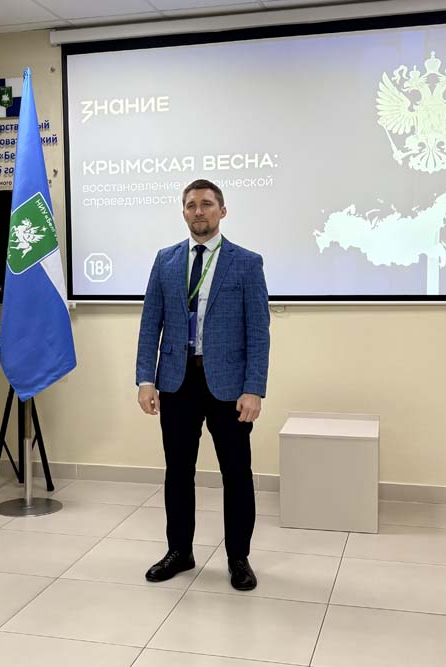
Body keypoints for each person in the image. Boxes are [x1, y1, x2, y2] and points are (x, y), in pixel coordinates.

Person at [136, 178, 270, 591]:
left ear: (222, 211)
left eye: (207, 204)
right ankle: (180, 551)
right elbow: (150, 323)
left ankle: (238, 558)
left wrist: (254, 388)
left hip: (229, 386)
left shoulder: (246, 262)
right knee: (178, 471)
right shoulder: (166, 260)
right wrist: (145, 379)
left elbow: (258, 331)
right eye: (192, 205)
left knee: (236, 473)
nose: (199, 211)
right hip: (177, 382)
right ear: (183, 212)